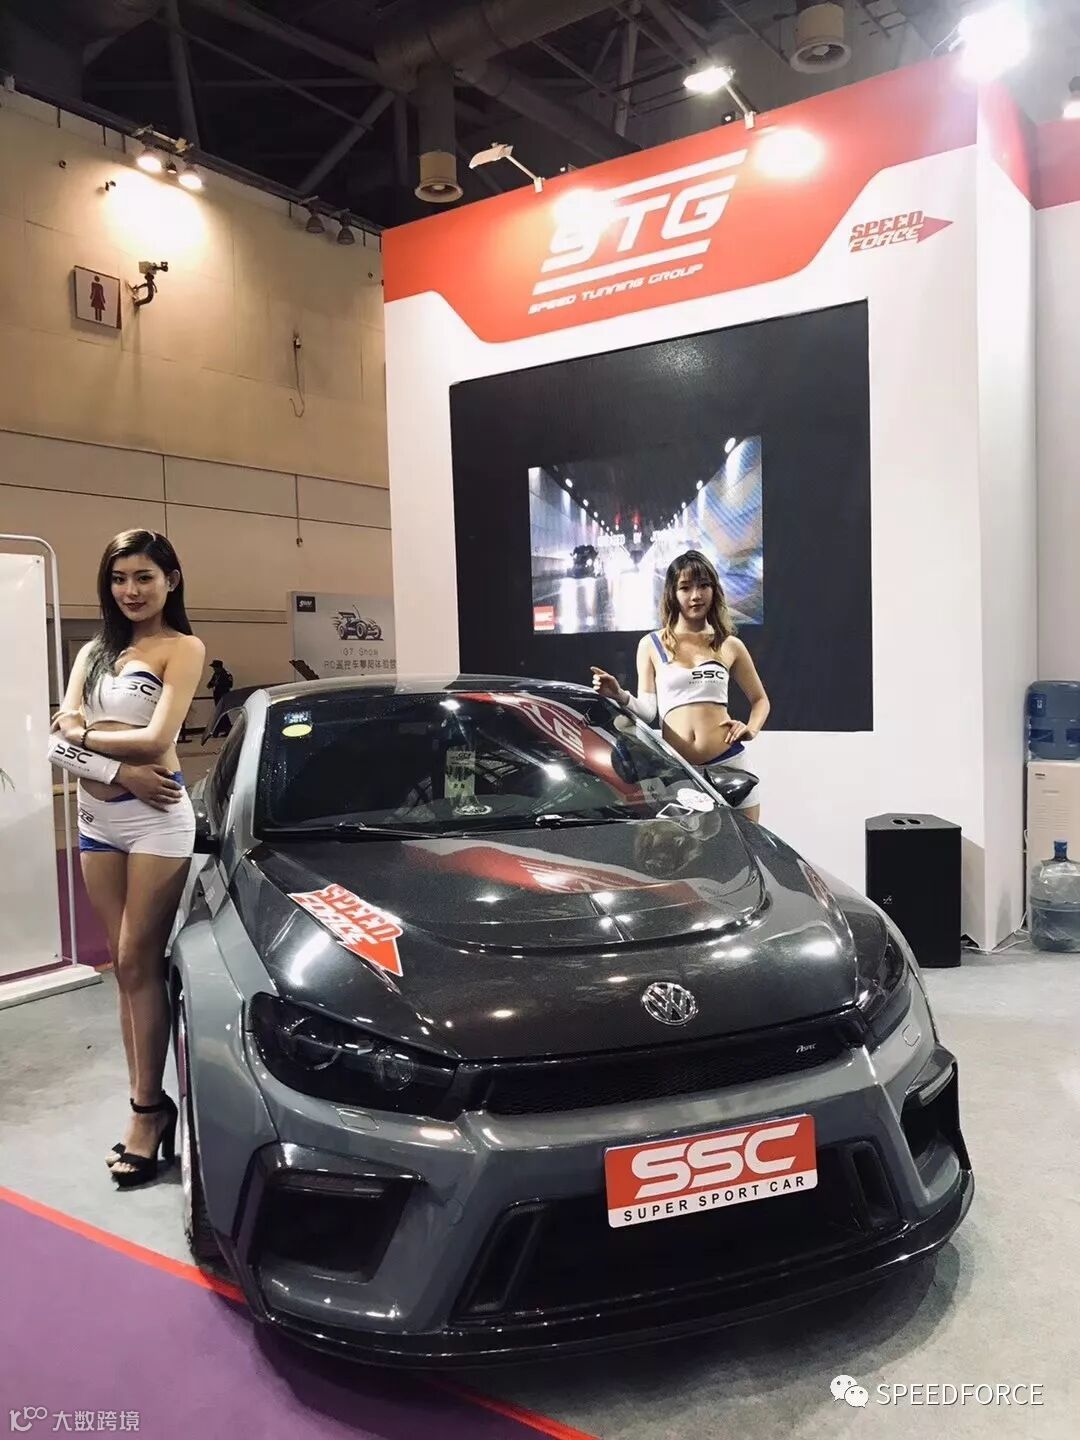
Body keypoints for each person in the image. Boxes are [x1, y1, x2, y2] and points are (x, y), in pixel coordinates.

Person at [48, 530, 205, 1188]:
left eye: (144, 577)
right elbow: (54, 744)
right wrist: (118, 766)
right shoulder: (93, 651)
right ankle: (150, 1099)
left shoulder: (182, 648)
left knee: (141, 959)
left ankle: (147, 1112)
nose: (131, 591)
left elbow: (159, 737)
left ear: (171, 579)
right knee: (124, 967)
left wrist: (83, 732)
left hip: (156, 822)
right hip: (98, 822)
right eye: (119, 579)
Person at [590, 549, 770, 822]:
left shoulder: (730, 644)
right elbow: (648, 712)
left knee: (747, 844)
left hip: (730, 766)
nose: (696, 595)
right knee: (684, 847)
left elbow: (760, 700)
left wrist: (751, 729)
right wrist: (619, 694)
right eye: (685, 588)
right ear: (672, 594)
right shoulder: (652, 644)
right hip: (679, 772)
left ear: (714, 590)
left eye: (703, 585)